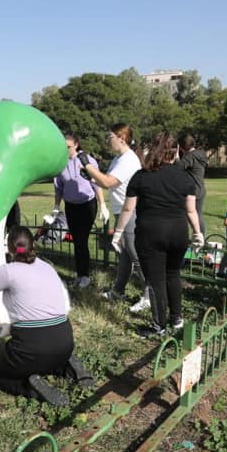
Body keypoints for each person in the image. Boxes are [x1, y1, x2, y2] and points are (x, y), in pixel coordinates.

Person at [0, 226, 93, 405]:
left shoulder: (8, 271)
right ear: (33, 245)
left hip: (33, 346)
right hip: (65, 339)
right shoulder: (47, 267)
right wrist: (12, 328)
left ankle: (30, 386)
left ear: (9, 248)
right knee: (47, 359)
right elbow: (39, 310)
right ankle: (67, 366)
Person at [115, 133, 204, 337]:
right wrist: (198, 233)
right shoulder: (185, 177)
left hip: (150, 234)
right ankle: (177, 319)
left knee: (155, 280)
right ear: (176, 152)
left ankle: (159, 326)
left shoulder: (141, 176)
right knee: (173, 274)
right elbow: (191, 210)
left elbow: (128, 209)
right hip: (178, 233)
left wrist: (118, 232)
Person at [81, 123, 151, 313]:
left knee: (135, 255)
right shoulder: (118, 159)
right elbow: (108, 182)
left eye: (110, 136)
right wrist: (90, 178)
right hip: (121, 211)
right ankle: (118, 291)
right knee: (125, 256)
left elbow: (108, 182)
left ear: (122, 138)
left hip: (131, 212)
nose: (107, 140)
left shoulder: (128, 160)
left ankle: (149, 295)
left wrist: (87, 165)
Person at [53, 134, 108, 289]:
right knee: (77, 241)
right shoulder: (60, 163)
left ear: (76, 145)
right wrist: (56, 206)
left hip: (87, 205)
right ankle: (80, 275)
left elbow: (96, 184)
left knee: (82, 240)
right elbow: (58, 187)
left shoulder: (87, 160)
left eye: (68, 147)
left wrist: (103, 204)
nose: (65, 150)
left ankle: (85, 276)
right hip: (70, 206)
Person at [178, 135, 208, 235]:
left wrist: (177, 156)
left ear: (182, 146)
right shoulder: (199, 154)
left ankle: (198, 236)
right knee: (198, 214)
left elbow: (178, 168)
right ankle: (201, 237)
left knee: (192, 215)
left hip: (193, 190)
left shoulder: (190, 156)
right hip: (200, 188)